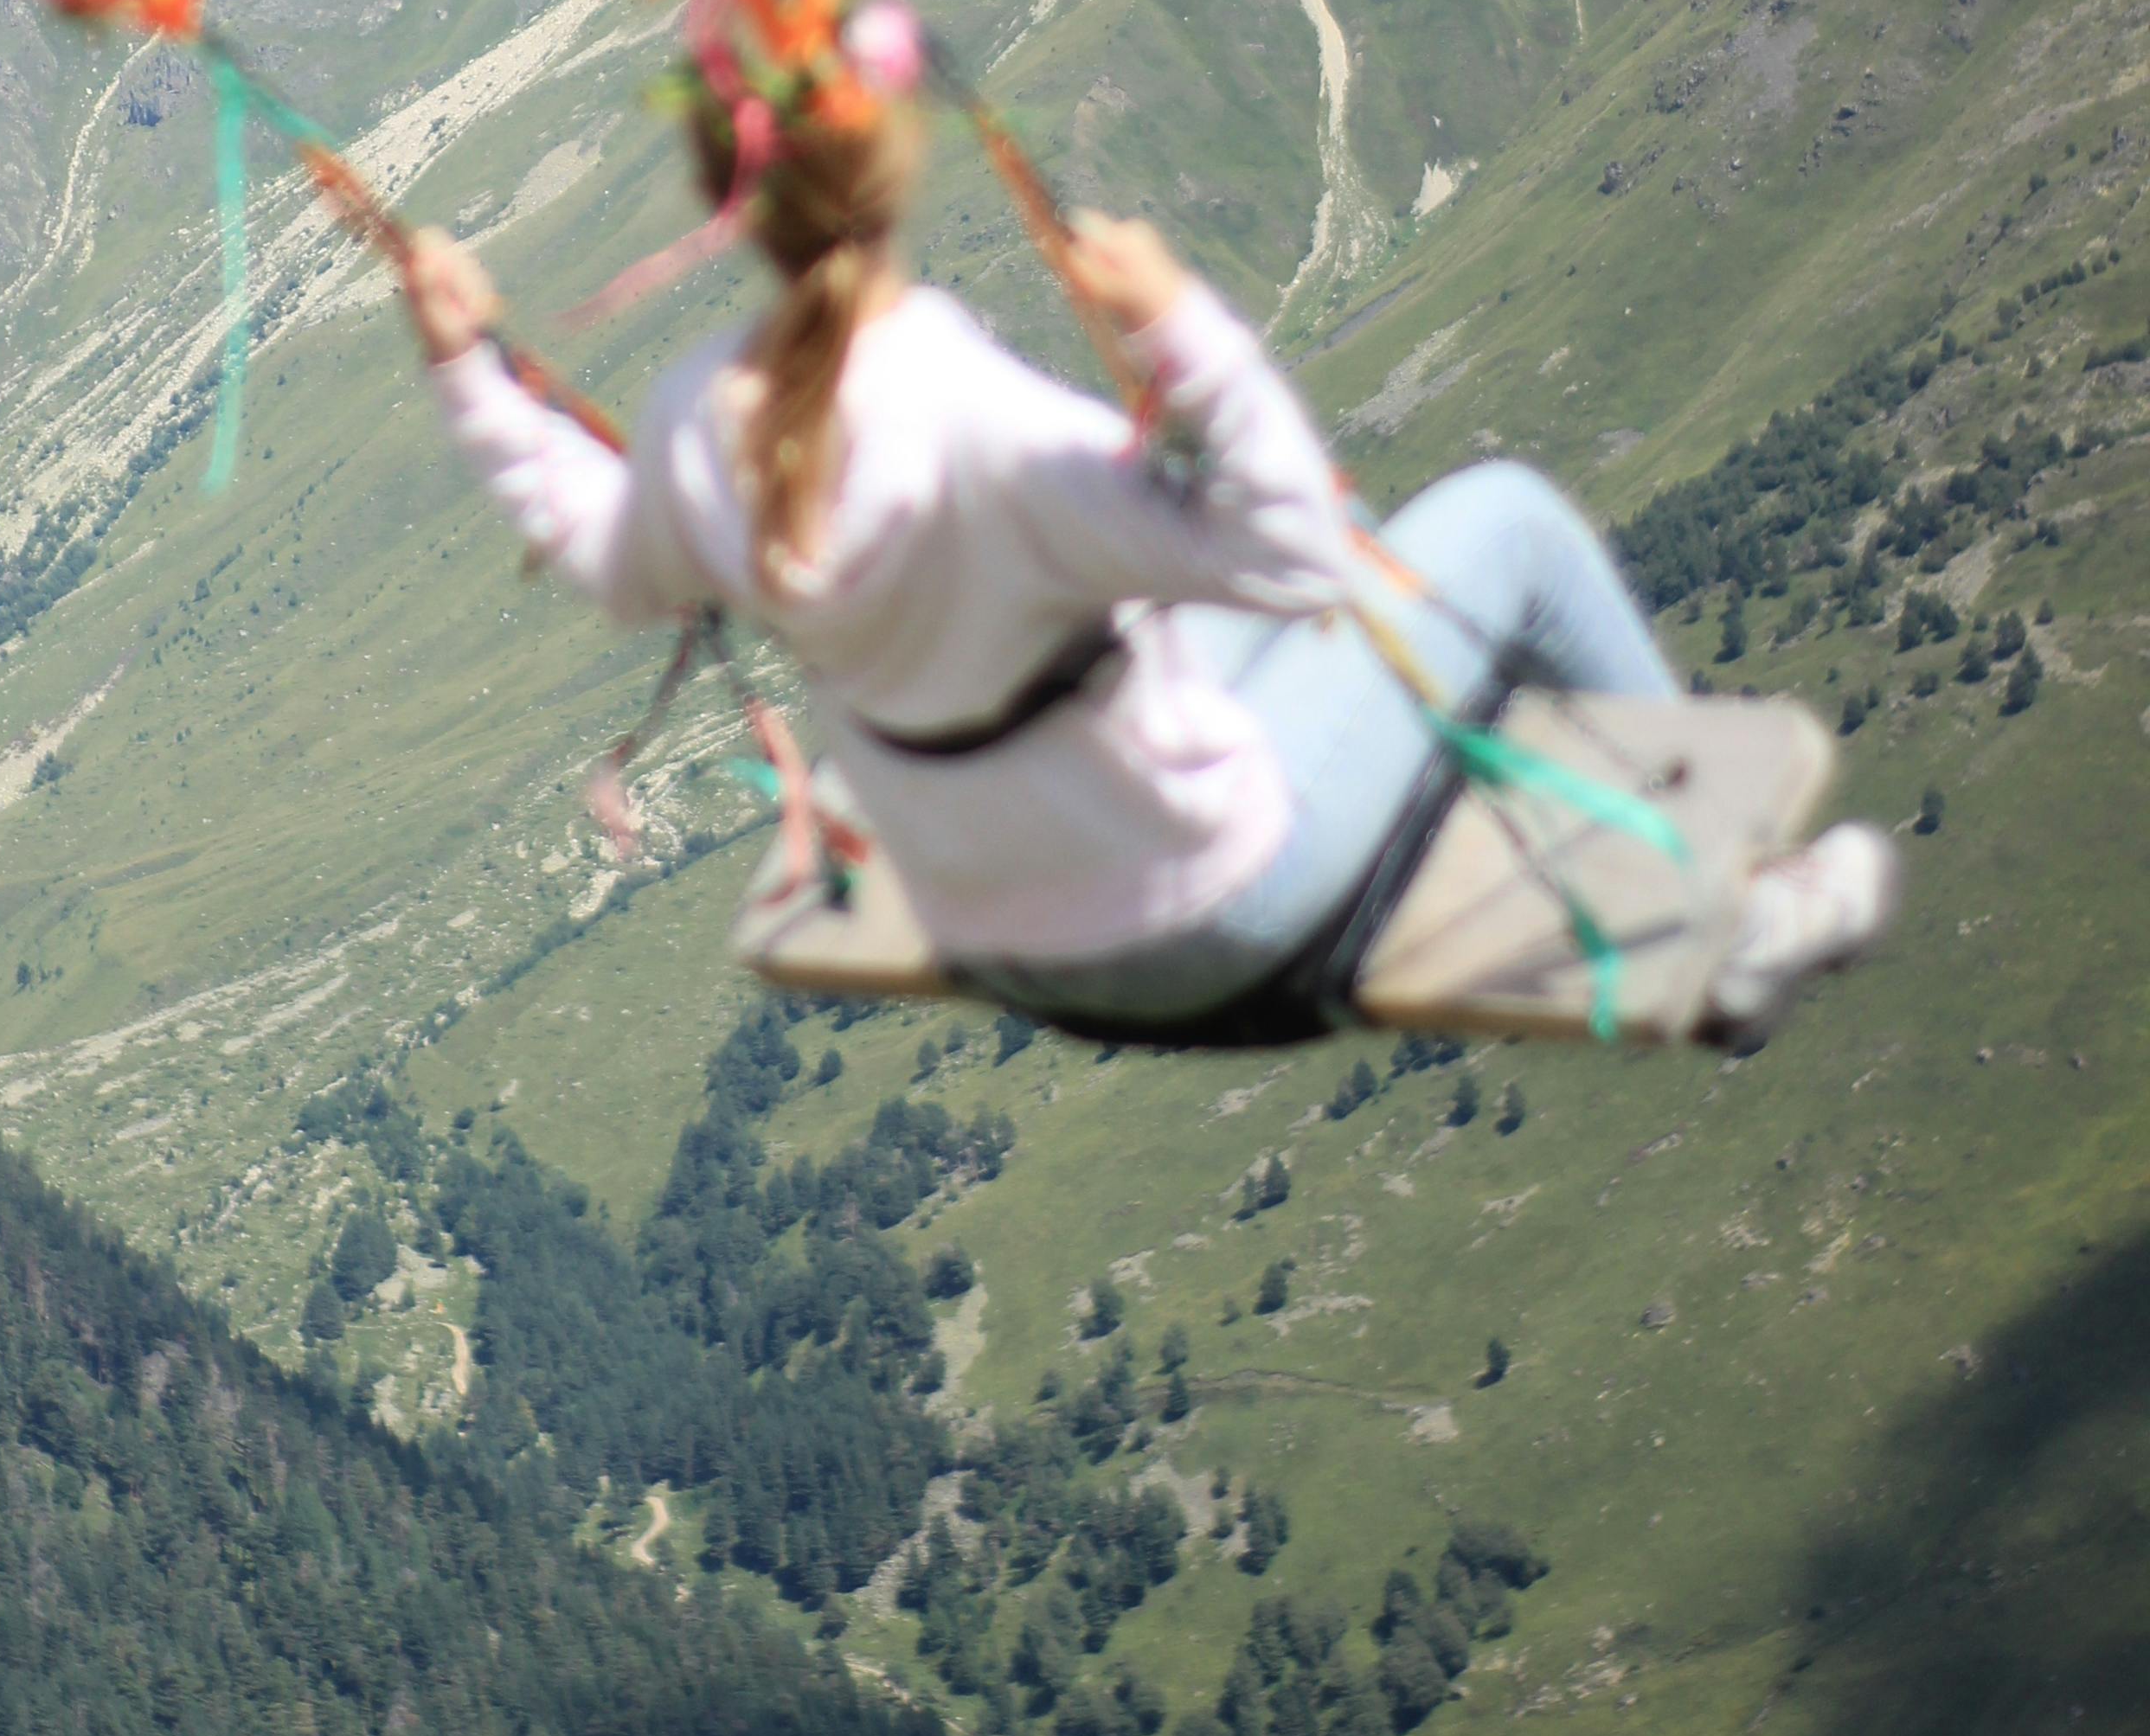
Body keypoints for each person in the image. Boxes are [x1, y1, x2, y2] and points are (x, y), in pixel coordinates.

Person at [399, 100, 1899, 1051]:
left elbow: (609, 559)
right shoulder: (978, 417)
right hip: (1212, 917)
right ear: (893, 174)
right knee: (1503, 520)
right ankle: (1728, 910)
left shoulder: (698, 422)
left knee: (1156, 618)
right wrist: (1187, 332)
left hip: (1009, 939)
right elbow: (1296, 554)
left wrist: (467, 363)